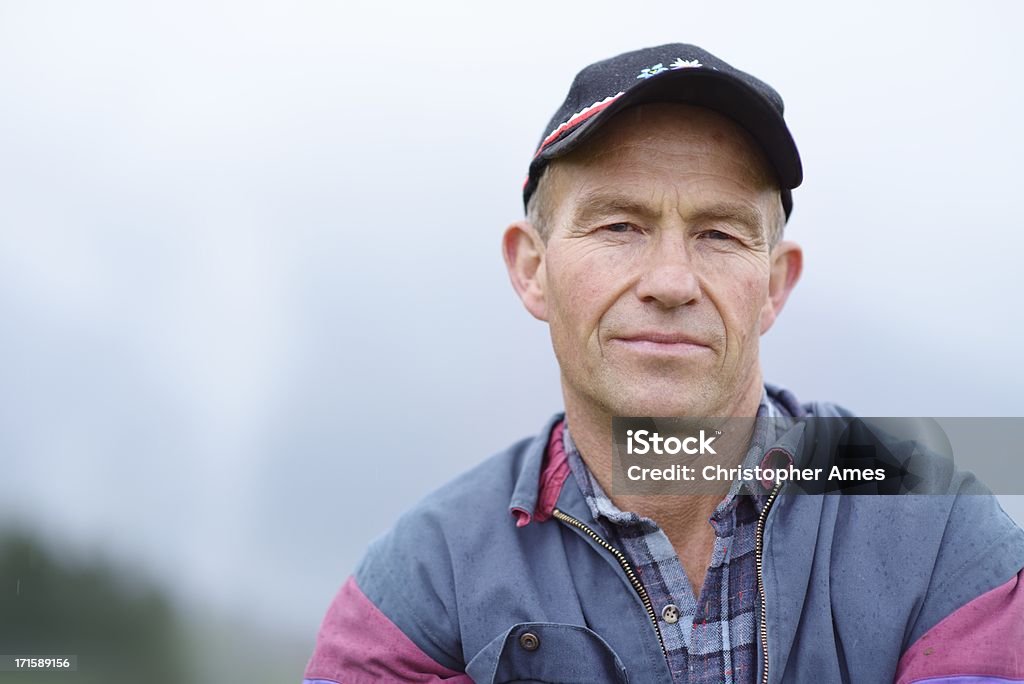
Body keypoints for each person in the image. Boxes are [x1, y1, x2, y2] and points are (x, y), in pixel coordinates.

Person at [303, 44, 1024, 683]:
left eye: (717, 233)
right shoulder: (423, 588)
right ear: (532, 270)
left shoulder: (938, 527)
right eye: (619, 226)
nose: (672, 282)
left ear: (773, 285)